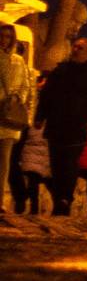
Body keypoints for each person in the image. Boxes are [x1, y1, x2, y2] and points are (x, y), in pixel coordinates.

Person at [35, 37, 87, 215]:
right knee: (56, 165)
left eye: (80, 48)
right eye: (75, 46)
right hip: (56, 125)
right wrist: (40, 116)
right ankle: (59, 200)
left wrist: (82, 117)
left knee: (70, 165)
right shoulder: (60, 70)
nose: (75, 50)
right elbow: (47, 95)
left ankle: (65, 199)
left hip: (76, 128)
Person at [0, 23, 35, 209]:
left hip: (9, 116)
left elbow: (25, 85)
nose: (4, 40)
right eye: (2, 36)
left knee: (5, 162)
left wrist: (17, 98)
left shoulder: (18, 61)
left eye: (8, 36)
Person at [16, 112, 50, 213]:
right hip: (42, 161)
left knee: (32, 183)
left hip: (29, 160)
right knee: (37, 184)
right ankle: (33, 207)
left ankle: (33, 207)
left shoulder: (28, 129)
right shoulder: (50, 129)